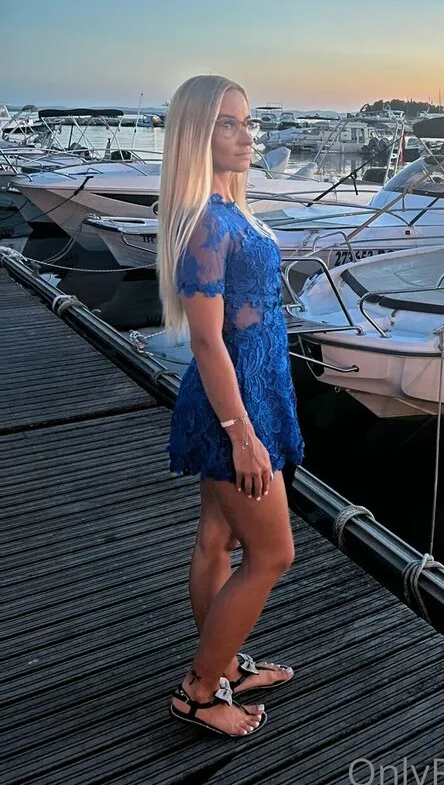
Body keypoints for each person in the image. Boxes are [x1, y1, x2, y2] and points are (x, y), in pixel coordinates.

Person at [156, 74, 304, 738]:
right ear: (196, 134)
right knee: (273, 555)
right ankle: (198, 689)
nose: (247, 136)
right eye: (228, 124)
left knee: (216, 538)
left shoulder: (231, 208)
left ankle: (226, 669)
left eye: (248, 122)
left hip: (251, 393)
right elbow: (208, 342)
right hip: (232, 407)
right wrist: (242, 435)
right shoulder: (209, 225)